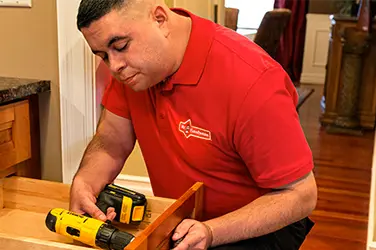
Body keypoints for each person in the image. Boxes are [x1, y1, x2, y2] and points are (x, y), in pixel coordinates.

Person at [70, 0, 318, 249]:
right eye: (103, 56)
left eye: (121, 46)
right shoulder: (133, 73)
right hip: (185, 220)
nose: (114, 66)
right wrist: (85, 182)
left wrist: (211, 231)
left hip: (258, 225)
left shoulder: (252, 80)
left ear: (159, 19)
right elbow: (111, 143)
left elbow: (301, 195)